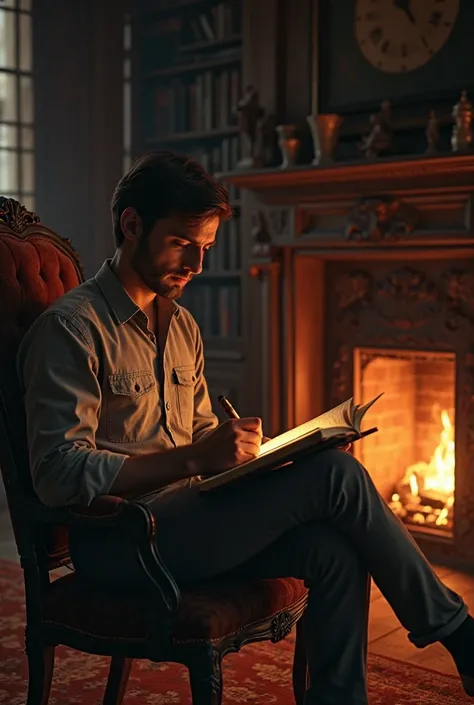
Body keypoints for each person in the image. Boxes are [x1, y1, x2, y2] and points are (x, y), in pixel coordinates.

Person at [17, 151, 474, 705]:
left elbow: (205, 433)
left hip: (192, 521)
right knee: (336, 475)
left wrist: (250, 457)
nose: (198, 264)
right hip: (121, 541)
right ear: (131, 224)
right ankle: (458, 634)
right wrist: (193, 460)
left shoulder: (181, 325)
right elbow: (57, 475)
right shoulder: (69, 329)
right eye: (184, 243)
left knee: (333, 548)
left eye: (206, 248)